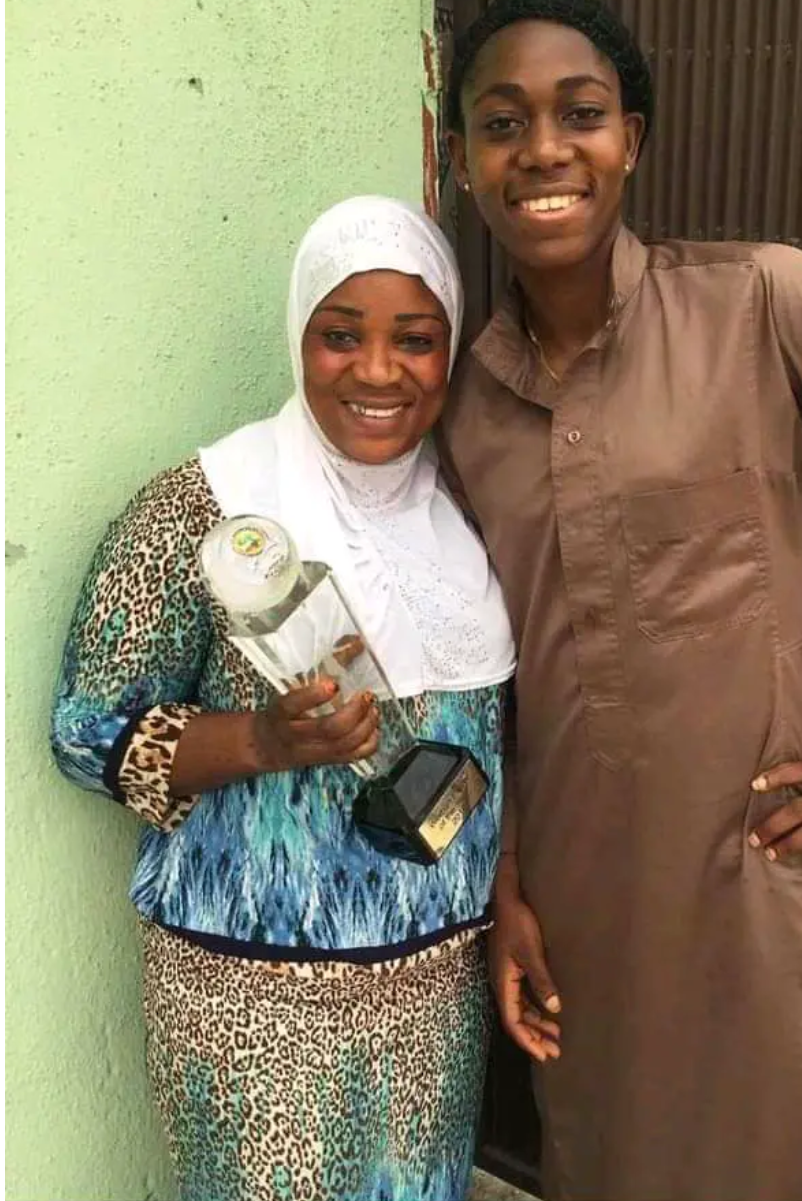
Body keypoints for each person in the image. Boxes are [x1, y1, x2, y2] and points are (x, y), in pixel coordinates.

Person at [438, 3, 802, 1199]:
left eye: (579, 115)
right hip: (577, 909)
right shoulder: (465, 408)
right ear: (460, 157)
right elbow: (494, 673)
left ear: (629, 139)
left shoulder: (765, 307)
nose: (541, 149)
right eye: (501, 122)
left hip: (753, 891)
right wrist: (508, 880)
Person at [50, 196, 516, 1201]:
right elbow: (86, 734)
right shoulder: (206, 508)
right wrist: (259, 739)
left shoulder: (473, 513)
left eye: (416, 340)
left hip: (434, 993)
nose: (378, 370)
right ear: (298, 336)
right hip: (248, 995)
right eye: (340, 335)